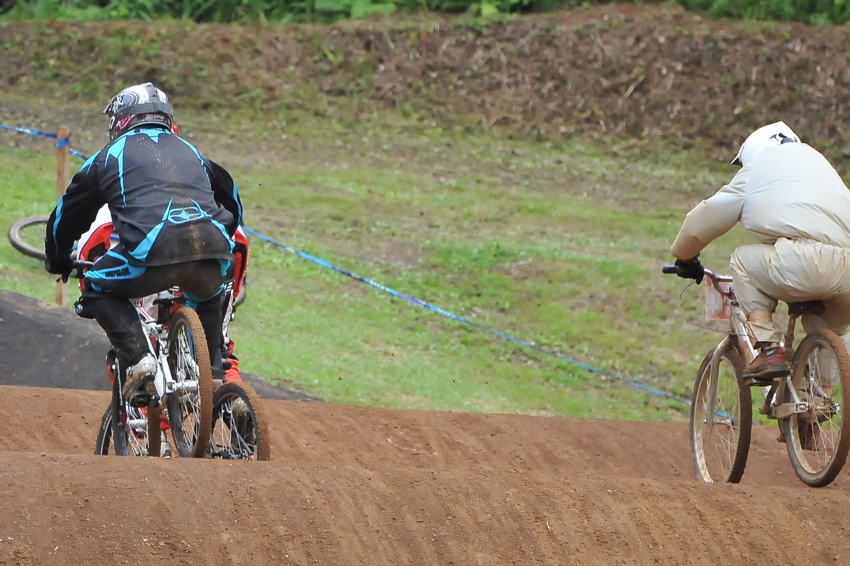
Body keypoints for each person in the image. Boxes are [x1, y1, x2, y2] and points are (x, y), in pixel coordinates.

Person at [44, 82, 242, 402]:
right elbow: (233, 200)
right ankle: (218, 384)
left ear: (121, 119)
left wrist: (58, 259)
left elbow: (65, 218)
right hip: (214, 254)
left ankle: (139, 359)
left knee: (95, 286)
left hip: (150, 255)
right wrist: (218, 240)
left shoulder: (109, 156)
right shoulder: (191, 151)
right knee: (208, 298)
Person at [670, 121, 850, 383]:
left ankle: (768, 348)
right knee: (828, 333)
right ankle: (816, 404)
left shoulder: (759, 168)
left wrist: (685, 257)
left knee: (743, 259)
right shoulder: (823, 169)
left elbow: (707, 217)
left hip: (802, 263)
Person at [76, 204, 250, 382]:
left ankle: (141, 387)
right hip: (213, 244)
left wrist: (92, 297)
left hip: (144, 253)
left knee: (136, 343)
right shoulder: (210, 196)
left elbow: (91, 274)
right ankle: (227, 379)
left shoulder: (109, 208)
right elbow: (239, 240)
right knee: (216, 341)